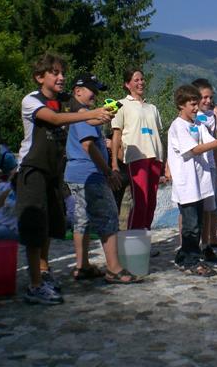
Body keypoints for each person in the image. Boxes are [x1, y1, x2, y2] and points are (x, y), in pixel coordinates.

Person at [15, 54, 114, 305]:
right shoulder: (31, 100)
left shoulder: (64, 100)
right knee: (35, 227)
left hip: (52, 171)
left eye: (62, 73)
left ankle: (44, 273)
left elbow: (86, 117)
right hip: (32, 169)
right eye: (55, 73)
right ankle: (34, 285)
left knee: (48, 226)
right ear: (40, 77)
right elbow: (56, 119)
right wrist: (92, 113)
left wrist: (104, 115)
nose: (61, 77)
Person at [64, 73, 140, 284]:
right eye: (92, 90)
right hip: (90, 174)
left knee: (82, 220)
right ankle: (114, 269)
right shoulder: (82, 113)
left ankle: (82, 266)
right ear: (78, 91)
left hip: (76, 174)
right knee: (108, 215)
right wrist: (107, 172)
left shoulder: (78, 113)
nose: (95, 95)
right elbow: (88, 146)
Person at [166, 84, 217, 276]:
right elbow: (194, 149)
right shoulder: (178, 126)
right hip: (187, 185)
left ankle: (183, 256)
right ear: (181, 105)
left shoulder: (197, 124)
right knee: (191, 226)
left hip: (199, 184)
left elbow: (210, 140)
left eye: (197, 104)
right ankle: (191, 261)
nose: (196, 108)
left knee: (197, 223)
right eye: (192, 104)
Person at [110, 69, 165, 231]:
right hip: (136, 157)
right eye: (136, 80)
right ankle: (133, 239)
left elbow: (158, 135)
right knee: (141, 201)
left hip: (155, 157)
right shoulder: (121, 105)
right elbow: (116, 135)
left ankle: (145, 237)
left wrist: (165, 163)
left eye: (142, 79)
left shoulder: (152, 108)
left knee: (151, 203)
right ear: (127, 84)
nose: (141, 83)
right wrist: (114, 163)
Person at [191, 78, 217, 262]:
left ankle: (210, 239)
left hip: (211, 165)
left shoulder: (212, 115)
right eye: (204, 97)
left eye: (211, 97)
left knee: (212, 205)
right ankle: (189, 244)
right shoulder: (190, 117)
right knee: (191, 208)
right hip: (196, 166)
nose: (208, 101)